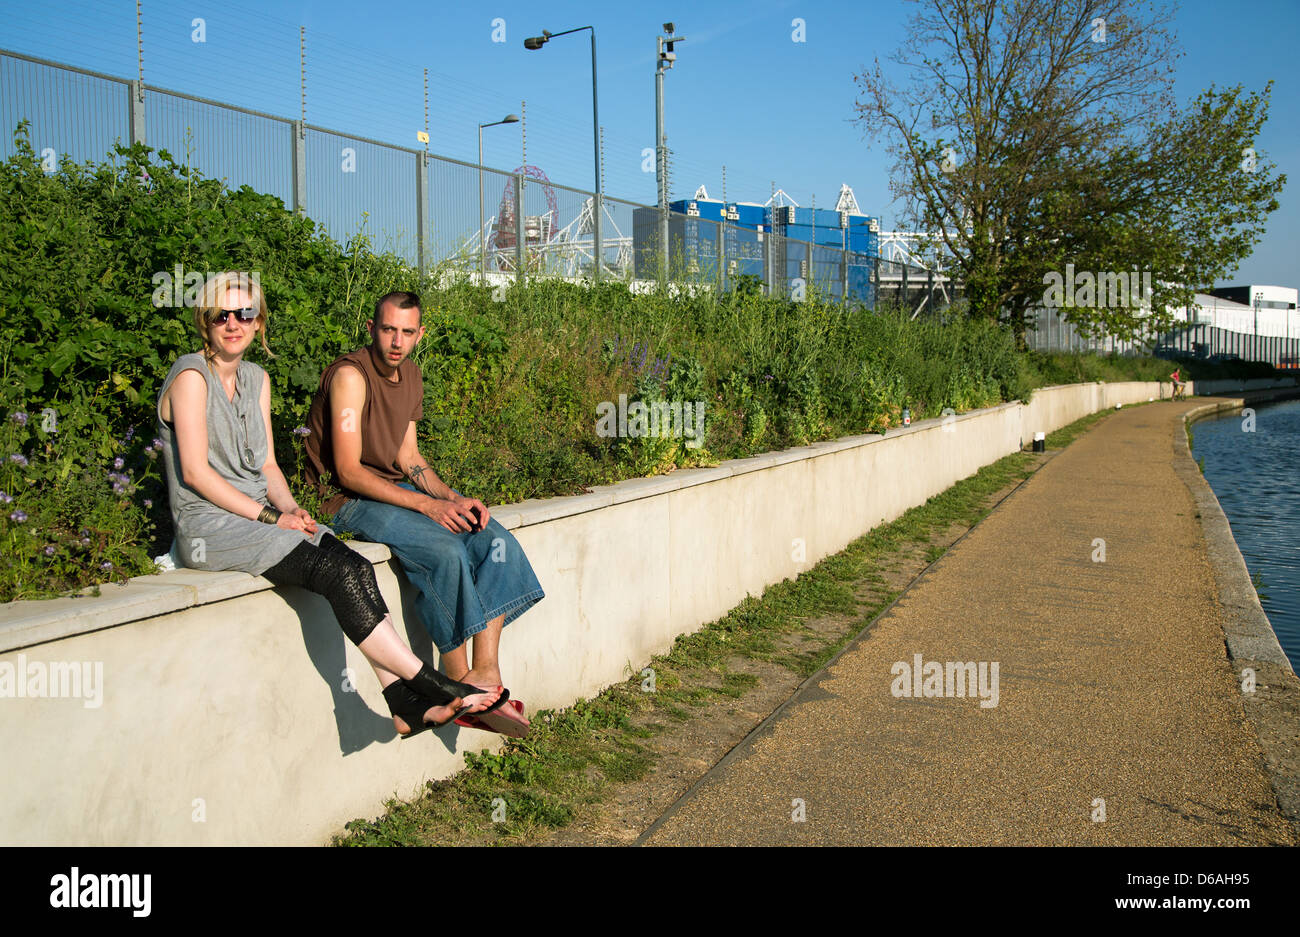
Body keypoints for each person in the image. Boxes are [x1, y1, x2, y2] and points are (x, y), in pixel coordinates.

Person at [156, 272, 503, 737]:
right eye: (223, 314)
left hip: (261, 516)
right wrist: (269, 517)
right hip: (210, 526)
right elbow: (196, 474)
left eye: (245, 314)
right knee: (335, 573)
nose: (234, 323)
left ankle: (401, 706)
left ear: (259, 324)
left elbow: (269, 469)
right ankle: (434, 684)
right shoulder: (191, 376)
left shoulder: (257, 379)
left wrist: (292, 510)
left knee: (355, 566)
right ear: (206, 320)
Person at [303, 291, 543, 737]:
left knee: (493, 540)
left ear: (420, 334)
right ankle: (455, 688)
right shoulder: (350, 378)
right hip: (347, 502)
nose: (397, 341)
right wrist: (428, 507)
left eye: (407, 332)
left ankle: (484, 675)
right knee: (445, 549)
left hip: (391, 492)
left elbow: (409, 458)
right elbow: (349, 471)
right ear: (373, 328)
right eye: (389, 329)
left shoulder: (410, 375)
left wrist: (452, 499)